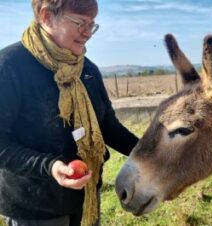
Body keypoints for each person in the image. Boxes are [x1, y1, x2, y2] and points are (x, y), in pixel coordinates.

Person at [0, 0, 138, 226]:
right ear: (46, 17)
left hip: (86, 199)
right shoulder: (9, 67)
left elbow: (107, 126)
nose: (88, 33)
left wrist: (149, 152)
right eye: (80, 23)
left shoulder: (87, 69)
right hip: (35, 210)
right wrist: (50, 166)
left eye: (92, 24)